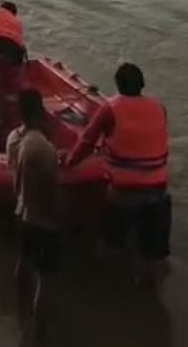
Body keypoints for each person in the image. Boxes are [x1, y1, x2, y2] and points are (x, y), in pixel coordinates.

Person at [65, 63, 171, 285]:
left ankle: (109, 282)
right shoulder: (159, 107)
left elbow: (87, 142)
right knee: (153, 250)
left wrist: (68, 162)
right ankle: (149, 285)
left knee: (110, 241)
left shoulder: (111, 108)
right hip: (158, 188)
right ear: (142, 84)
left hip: (125, 190)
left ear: (118, 85)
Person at [6, 88, 59, 345]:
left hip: (22, 211)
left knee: (24, 263)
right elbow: (51, 186)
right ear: (40, 111)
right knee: (46, 279)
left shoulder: (13, 139)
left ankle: (22, 316)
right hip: (43, 218)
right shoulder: (42, 147)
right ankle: (40, 330)